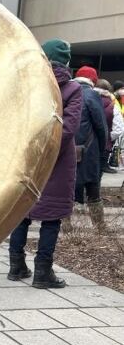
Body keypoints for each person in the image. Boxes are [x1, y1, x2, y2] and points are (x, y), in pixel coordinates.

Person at [7, 39, 82, 288]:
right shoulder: (72, 89)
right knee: (52, 218)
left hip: (29, 158)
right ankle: (42, 272)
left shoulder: (30, 85)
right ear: (67, 61)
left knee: (22, 213)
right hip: (58, 162)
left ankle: (16, 266)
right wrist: (48, 148)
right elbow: (68, 128)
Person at [73, 65, 108, 231]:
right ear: (93, 80)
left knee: (68, 186)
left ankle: (65, 225)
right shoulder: (92, 95)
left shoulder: (66, 92)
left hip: (67, 148)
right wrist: (102, 150)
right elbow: (100, 126)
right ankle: (99, 226)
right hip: (89, 149)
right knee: (93, 187)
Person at [95, 78, 124, 171]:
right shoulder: (112, 103)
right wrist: (109, 138)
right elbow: (118, 128)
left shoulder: (87, 99)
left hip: (88, 141)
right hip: (106, 139)